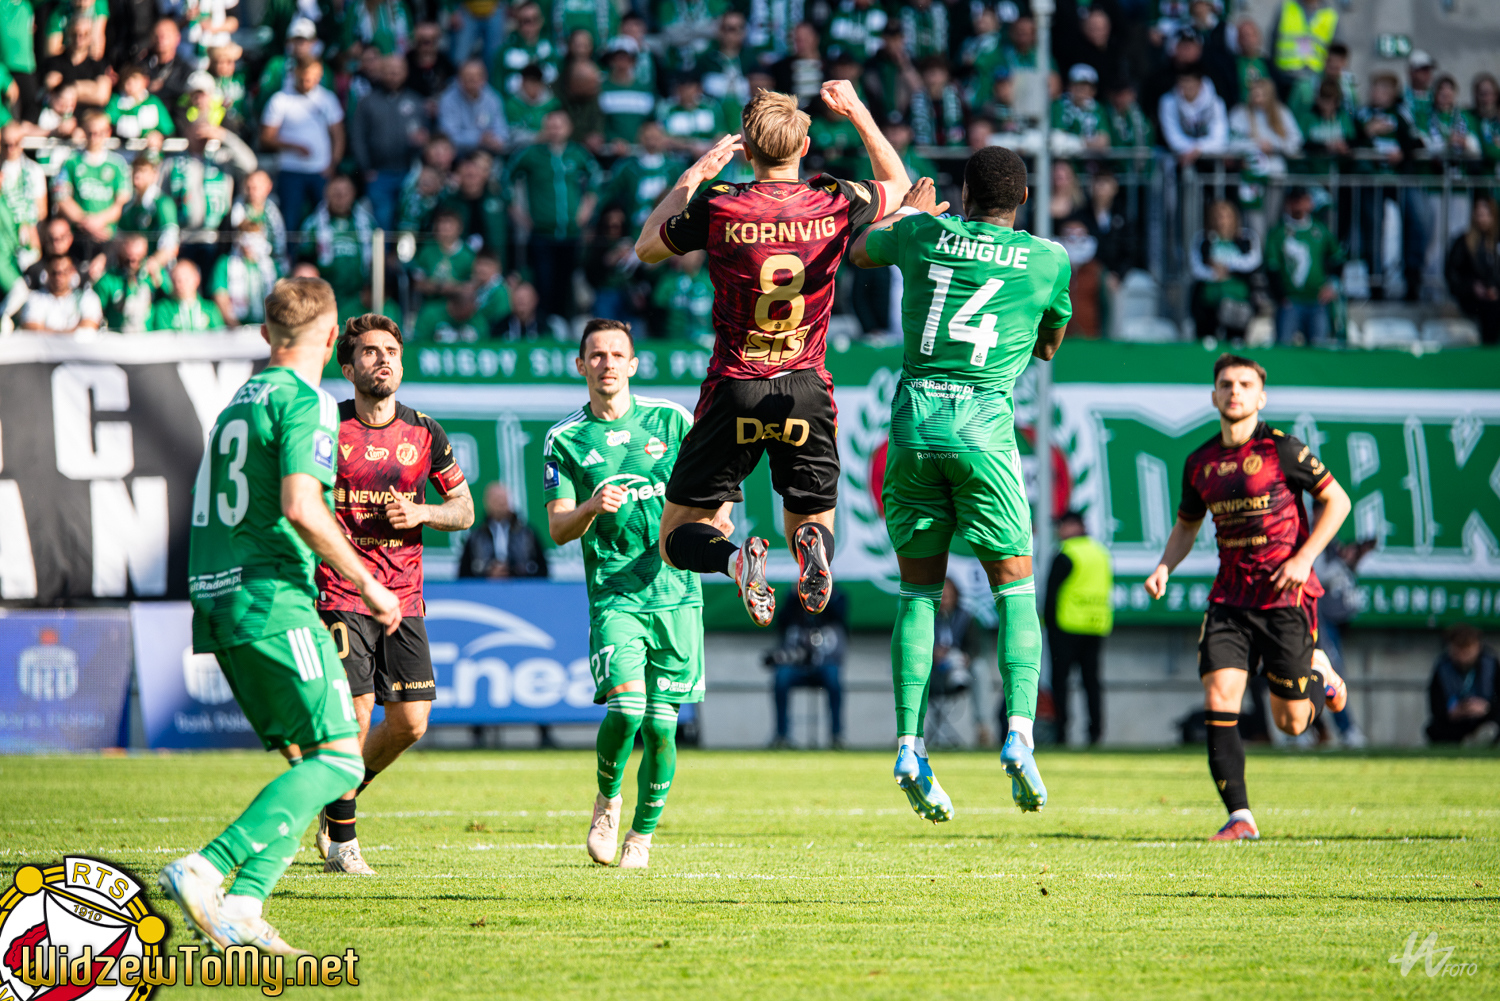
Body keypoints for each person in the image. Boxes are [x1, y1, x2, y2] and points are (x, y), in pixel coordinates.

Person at [159, 277, 402, 955]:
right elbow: (301, 505)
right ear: (331, 339)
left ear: (267, 335)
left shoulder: (235, 404)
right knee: (340, 761)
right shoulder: (307, 400)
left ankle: (244, 905)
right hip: (272, 597)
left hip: (218, 599)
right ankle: (207, 867)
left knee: (310, 761)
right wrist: (368, 584)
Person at [635, 81, 910, 627]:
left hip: (735, 386)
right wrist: (857, 111)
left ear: (747, 151)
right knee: (810, 522)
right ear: (804, 147)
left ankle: (735, 561)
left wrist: (694, 176)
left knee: (676, 538)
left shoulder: (720, 204)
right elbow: (900, 186)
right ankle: (811, 549)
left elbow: (646, 247)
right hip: (805, 389)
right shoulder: (834, 199)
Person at [849, 149, 1068, 822]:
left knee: (918, 593)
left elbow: (859, 250)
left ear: (964, 192)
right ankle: (1020, 733)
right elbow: (1048, 345)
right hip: (983, 429)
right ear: (1023, 197)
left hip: (914, 426)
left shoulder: (921, 232)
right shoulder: (1048, 259)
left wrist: (906, 212)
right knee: (1015, 588)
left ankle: (909, 746)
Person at [1143, 353, 1352, 841]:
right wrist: (1164, 566)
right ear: (1213, 395)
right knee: (1220, 697)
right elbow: (1187, 525)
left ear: (1261, 397)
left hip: (1284, 597)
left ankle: (1320, 673)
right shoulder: (1200, 462)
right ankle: (1240, 817)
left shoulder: (1283, 449)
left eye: (1244, 384)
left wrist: (1304, 559)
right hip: (1230, 601)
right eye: (1225, 384)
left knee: (1292, 722)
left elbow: (1337, 500)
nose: (1234, 391)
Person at [542, 320, 714, 869]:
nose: (608, 363)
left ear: (634, 365)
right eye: (597, 355)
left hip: (677, 593)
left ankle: (641, 838)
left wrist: (718, 522)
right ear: (581, 365)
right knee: (626, 710)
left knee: (662, 727)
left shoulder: (672, 420)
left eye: (618, 354)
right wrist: (591, 507)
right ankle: (608, 800)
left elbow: (715, 486)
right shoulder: (565, 439)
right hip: (615, 595)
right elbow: (558, 528)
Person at [313, 313, 474, 875]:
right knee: (355, 714)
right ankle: (344, 844)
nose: (382, 360)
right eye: (369, 351)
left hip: (403, 596)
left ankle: (338, 794)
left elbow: (464, 509)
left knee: (410, 723)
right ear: (348, 366)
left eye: (391, 352)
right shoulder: (325, 427)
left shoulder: (425, 432)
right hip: (340, 590)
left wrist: (423, 512)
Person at [504, 108, 599, 323]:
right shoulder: (531, 154)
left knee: (568, 283)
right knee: (543, 283)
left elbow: (596, 177)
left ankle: (564, 327)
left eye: (560, 126)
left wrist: (588, 206)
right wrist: (516, 212)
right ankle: (544, 326)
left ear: (569, 128)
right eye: (551, 126)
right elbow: (505, 177)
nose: (555, 130)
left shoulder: (577, 153)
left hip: (571, 232)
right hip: (541, 232)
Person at [1044, 511, 1113, 747]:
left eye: (1061, 525)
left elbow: (1051, 595)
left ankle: (1061, 732)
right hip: (1095, 626)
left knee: (1061, 683)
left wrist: (1048, 625)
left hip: (1066, 627)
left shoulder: (1066, 553)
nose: (1058, 531)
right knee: (1092, 683)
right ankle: (1095, 733)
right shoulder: (1100, 553)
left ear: (1074, 526)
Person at [262, 58, 346, 233]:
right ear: (295, 74)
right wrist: (293, 146)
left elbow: (338, 135)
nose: (309, 83)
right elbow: (266, 138)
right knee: (290, 220)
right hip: (290, 170)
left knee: (323, 221)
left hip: (320, 170)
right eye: (305, 78)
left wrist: (333, 164)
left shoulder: (327, 99)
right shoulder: (280, 100)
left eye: (314, 78)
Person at [352, 55, 428, 231]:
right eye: (389, 70)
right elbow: (357, 136)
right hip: (378, 173)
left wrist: (421, 143)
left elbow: (426, 135)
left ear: (406, 72)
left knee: (408, 220)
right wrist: (365, 167)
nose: (393, 74)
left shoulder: (416, 101)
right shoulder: (367, 102)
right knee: (382, 220)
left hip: (409, 172)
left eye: (398, 70)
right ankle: (383, 250)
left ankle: (405, 251)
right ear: (381, 71)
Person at [765, 588, 848, 749]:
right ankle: (781, 735)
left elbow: (840, 615)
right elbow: (781, 621)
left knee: (833, 677)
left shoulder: (838, 598)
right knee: (781, 677)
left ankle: (837, 736)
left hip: (824, 663)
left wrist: (823, 594)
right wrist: (795, 595)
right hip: (796, 665)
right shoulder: (792, 599)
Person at [1265, 187, 1343, 345]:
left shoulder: (1320, 230)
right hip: (1290, 302)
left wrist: (1332, 285)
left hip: (1317, 301)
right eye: (1295, 201)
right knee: (1284, 346)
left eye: (1303, 200)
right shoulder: (1278, 233)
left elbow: (1338, 258)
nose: (1299, 205)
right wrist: (1280, 296)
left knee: (1319, 348)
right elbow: (1272, 267)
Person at [52, 109, 131, 259]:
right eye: (91, 133)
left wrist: (98, 222)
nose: (95, 138)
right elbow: (61, 198)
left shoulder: (117, 164)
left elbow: (119, 204)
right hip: (78, 234)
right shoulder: (71, 161)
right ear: (84, 132)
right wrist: (86, 222)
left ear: (108, 132)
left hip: (107, 235)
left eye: (100, 133)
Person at [1190, 199, 1261, 342]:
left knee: (1235, 342)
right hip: (1209, 300)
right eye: (1217, 216)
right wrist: (1213, 274)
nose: (1221, 220)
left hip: (1238, 299)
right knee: (1207, 340)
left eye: (1226, 216)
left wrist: (1227, 266)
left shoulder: (1246, 238)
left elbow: (1254, 261)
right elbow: (1195, 267)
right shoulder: (1203, 239)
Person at [1426, 625, 1499, 746]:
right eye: (1458, 651)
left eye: (1467, 651)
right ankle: (1469, 742)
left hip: (1485, 718)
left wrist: (1487, 708)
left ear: (1478, 647)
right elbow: (1435, 704)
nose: (1463, 657)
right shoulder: (1442, 667)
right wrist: (1453, 711)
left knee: (1494, 724)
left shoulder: (1490, 664)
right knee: (1434, 729)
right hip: (1455, 721)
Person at [459, 482, 547, 577]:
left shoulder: (527, 534)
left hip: (521, 584)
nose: (501, 503)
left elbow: (542, 569)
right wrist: (488, 573)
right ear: (487, 503)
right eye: (497, 499)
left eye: (504, 499)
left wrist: (514, 571)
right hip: (485, 585)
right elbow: (464, 573)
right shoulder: (476, 537)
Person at [1445, 196, 1500, 346]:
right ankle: (1488, 346)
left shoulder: (1495, 243)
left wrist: (1494, 289)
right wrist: (1472, 287)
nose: (1482, 219)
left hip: (1494, 296)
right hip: (1471, 297)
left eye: (1485, 215)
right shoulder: (1463, 242)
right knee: (1491, 308)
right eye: (1479, 214)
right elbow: (1452, 274)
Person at [94, 231, 170, 332]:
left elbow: (173, 299)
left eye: (138, 259)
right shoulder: (110, 279)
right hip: (117, 336)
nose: (132, 264)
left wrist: (159, 280)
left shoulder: (153, 274)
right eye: (128, 259)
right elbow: (95, 309)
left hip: (147, 336)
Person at [210, 222, 282, 326]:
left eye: (254, 239)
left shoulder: (273, 267)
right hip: (236, 328)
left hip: (268, 326)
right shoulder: (225, 264)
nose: (248, 246)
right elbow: (220, 296)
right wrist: (236, 326)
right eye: (245, 240)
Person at [437, 58, 508, 157]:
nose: (473, 80)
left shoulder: (493, 98)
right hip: (458, 153)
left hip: (487, 152)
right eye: (468, 77)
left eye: (477, 76)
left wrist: (497, 139)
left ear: (484, 78)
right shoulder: (448, 100)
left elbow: (502, 129)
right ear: (458, 79)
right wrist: (478, 138)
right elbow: (448, 135)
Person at [17, 254, 102, 334]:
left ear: (72, 272)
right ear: (47, 273)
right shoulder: (35, 298)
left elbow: (89, 326)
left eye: (64, 272)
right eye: (54, 273)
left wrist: (53, 334)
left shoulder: (87, 297)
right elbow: (31, 327)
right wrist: (67, 334)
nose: (59, 277)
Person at [149, 258, 225, 331]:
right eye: (178, 280)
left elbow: (220, 334)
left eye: (186, 279)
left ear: (197, 279)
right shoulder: (165, 309)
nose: (182, 284)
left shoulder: (210, 308)